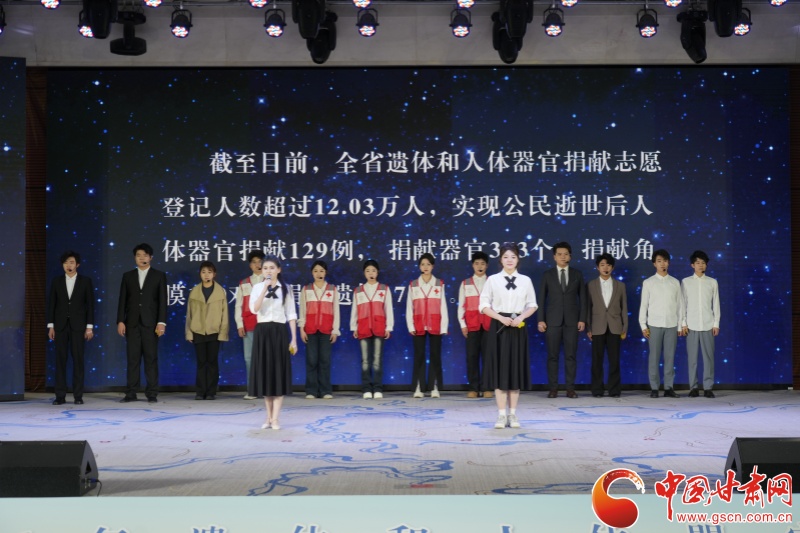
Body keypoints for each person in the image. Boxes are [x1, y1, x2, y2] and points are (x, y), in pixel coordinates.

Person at [479, 243, 538, 429]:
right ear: (500, 260)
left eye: (513, 257)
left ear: (518, 259)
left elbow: (532, 305)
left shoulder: (525, 280)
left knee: (515, 371)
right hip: (499, 327)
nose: (509, 260)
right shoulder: (493, 280)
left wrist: (520, 317)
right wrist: (500, 318)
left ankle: (512, 414)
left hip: (518, 327)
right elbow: (483, 305)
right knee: (500, 371)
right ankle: (501, 415)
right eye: (506, 257)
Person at [249, 256, 297, 430]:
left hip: (279, 332)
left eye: (272, 267)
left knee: (278, 374)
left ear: (279, 269)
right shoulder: (257, 288)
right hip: (262, 332)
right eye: (265, 268)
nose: (268, 271)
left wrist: (294, 339)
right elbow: (254, 309)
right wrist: (264, 288)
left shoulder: (286, 289)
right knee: (266, 375)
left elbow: (291, 314)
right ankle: (268, 417)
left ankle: (275, 418)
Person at [116, 243, 167, 403]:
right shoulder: (128, 276)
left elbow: (162, 301)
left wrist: (161, 322)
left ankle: (152, 393)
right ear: (135, 258)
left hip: (151, 324)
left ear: (151, 257)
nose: (141, 258)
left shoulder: (159, 275)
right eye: (138, 255)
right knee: (133, 359)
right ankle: (131, 393)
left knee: (151, 359)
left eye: (145, 255)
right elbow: (122, 300)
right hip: (132, 323)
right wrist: (120, 320)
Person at [537, 241, 587, 399]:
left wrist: (582, 319)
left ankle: (570, 389)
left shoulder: (577, 274)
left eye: (566, 254)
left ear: (570, 256)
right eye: (559, 254)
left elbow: (583, 299)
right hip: (552, 321)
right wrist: (541, 320)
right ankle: (553, 389)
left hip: (572, 321)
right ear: (554, 257)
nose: (563, 257)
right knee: (552, 356)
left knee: (571, 356)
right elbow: (541, 299)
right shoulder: (548, 275)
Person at [46, 251, 95, 405]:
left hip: (78, 326)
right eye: (66, 262)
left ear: (77, 264)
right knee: (60, 361)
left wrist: (89, 327)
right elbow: (52, 304)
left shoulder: (85, 281)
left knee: (78, 361)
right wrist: (51, 326)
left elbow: (90, 305)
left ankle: (78, 396)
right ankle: (60, 396)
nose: (69, 265)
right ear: (62, 265)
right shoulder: (57, 281)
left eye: (72, 262)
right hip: (60, 326)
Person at [639, 249, 684, 399]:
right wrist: (643, 326)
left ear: (668, 263)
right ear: (654, 264)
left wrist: (680, 325)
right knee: (654, 357)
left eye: (665, 261)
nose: (662, 264)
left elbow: (680, 306)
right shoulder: (648, 282)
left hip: (671, 324)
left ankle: (669, 387)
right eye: (659, 261)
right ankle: (654, 388)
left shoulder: (675, 282)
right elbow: (643, 306)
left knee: (670, 358)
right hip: (654, 324)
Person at [406, 253, 449, 398]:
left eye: (428, 264)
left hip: (435, 323)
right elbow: (409, 307)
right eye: (423, 264)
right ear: (419, 266)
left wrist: (443, 326)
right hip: (418, 324)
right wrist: (411, 326)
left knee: (435, 355)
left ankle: (434, 386)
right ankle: (419, 386)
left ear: (433, 266)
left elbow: (443, 306)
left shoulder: (439, 284)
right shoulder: (413, 285)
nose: (425, 267)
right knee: (419, 355)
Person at [186, 261, 230, 400]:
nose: (206, 275)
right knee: (201, 362)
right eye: (204, 272)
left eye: (209, 272)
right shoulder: (194, 291)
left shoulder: (220, 291)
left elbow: (224, 314)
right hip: (198, 331)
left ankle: (211, 391)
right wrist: (189, 333)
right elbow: (189, 314)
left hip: (214, 331)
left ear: (214, 274)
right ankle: (200, 392)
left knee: (212, 362)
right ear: (200, 274)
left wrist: (223, 333)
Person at [586, 253, 628, 398]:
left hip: (615, 327)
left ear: (612, 267)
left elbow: (624, 308)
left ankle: (614, 390)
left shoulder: (620, 285)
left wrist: (624, 327)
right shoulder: (591, 285)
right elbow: (588, 307)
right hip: (597, 326)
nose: (605, 268)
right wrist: (589, 328)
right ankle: (597, 390)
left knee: (614, 360)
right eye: (602, 265)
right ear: (597, 267)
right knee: (597, 361)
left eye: (608, 265)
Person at [350, 259, 393, 399]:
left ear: (377, 272)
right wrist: (354, 327)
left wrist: (389, 327)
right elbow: (354, 310)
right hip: (363, 328)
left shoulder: (384, 289)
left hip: (379, 327)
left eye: (373, 271)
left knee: (377, 360)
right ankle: (366, 389)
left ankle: (378, 388)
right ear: (364, 273)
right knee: (365, 360)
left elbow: (388, 309)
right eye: (368, 271)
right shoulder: (358, 291)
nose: (371, 273)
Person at [298, 260, 340, 399]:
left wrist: (335, 330)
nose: (318, 273)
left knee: (325, 361)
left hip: (326, 330)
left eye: (321, 271)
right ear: (312, 273)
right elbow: (302, 310)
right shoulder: (306, 289)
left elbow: (336, 311)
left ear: (325, 272)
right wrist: (302, 329)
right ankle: (311, 390)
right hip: (310, 329)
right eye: (315, 271)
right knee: (311, 360)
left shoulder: (332, 289)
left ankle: (325, 391)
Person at [681, 250, 720, 398]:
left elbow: (716, 304)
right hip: (691, 325)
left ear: (706, 265)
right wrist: (683, 323)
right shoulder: (686, 282)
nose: (701, 265)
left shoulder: (712, 282)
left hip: (708, 325)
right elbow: (682, 304)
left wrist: (716, 323)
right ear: (692, 265)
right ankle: (694, 387)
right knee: (692, 359)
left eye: (703, 263)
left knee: (708, 358)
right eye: (698, 263)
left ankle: (708, 387)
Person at [457, 251, 492, 398]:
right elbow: (461, 306)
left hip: (489, 324)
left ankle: (487, 388)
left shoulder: (492, 282)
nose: (480, 266)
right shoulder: (465, 284)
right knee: (472, 357)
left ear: (487, 266)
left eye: (482, 263)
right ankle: (473, 388)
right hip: (471, 325)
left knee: (488, 357)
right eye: (477, 263)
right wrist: (463, 324)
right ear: (472, 265)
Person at [235, 250, 265, 400]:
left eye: (260, 262)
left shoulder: (270, 281)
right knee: (249, 358)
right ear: (250, 265)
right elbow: (238, 305)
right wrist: (239, 324)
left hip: (266, 325)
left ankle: (266, 389)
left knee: (265, 357)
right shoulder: (244, 283)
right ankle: (252, 389)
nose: (257, 265)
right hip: (249, 324)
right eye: (254, 262)